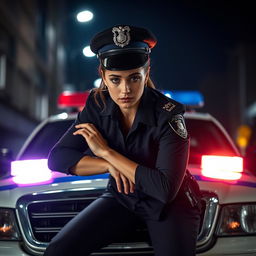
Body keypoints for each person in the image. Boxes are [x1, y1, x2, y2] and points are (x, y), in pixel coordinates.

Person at [44, 25, 201, 256]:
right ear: (104, 78)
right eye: (115, 80)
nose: (125, 89)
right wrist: (108, 165)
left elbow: (164, 188)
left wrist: (108, 153)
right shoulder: (97, 106)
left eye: (134, 78)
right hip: (123, 198)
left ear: (146, 73)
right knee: (58, 251)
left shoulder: (168, 114)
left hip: (170, 206)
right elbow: (57, 158)